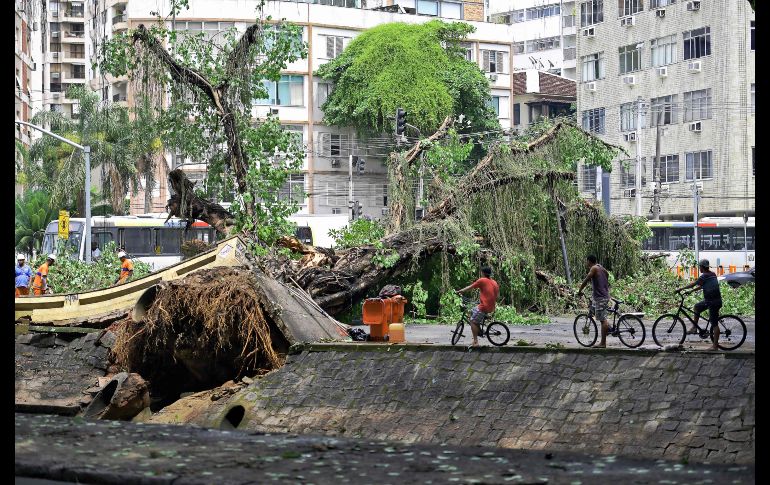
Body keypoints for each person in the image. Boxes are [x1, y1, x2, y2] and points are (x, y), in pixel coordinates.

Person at [675, 258, 722, 351]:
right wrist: (691, 291)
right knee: (696, 307)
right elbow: (702, 285)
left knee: (714, 324)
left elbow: (694, 283)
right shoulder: (712, 274)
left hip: (713, 302)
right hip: (711, 300)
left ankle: (715, 346)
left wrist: (680, 289)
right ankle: (694, 328)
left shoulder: (704, 276)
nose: (699, 268)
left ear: (702, 267)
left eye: (699, 267)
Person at [455, 266, 500, 347]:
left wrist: (460, 291)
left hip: (484, 306)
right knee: (473, 310)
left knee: (472, 321)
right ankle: (478, 327)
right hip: (491, 306)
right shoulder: (494, 282)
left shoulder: (482, 280)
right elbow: (497, 295)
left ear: (483, 273)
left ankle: (475, 342)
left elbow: (471, 287)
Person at [578, 255, 611, 348]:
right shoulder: (601, 268)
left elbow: (586, 279)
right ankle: (607, 329)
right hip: (602, 296)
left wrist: (580, 290)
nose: (586, 263)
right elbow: (607, 274)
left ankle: (603, 343)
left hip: (600, 297)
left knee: (602, 320)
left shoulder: (594, 268)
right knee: (598, 312)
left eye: (586, 261)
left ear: (589, 261)